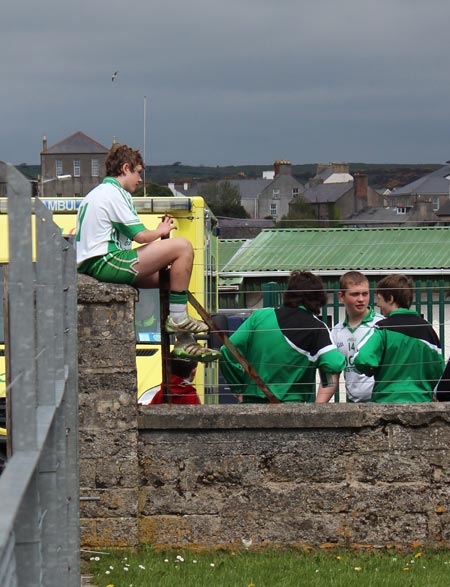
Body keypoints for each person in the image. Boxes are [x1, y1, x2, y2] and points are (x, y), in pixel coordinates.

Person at [76, 143, 220, 363]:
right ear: (125, 168)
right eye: (138, 173)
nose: (140, 180)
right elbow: (141, 236)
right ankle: (179, 319)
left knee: (172, 277)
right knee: (183, 246)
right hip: (107, 261)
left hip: (96, 263)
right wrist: (160, 231)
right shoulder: (113, 193)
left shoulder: (95, 194)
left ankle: (184, 342)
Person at [219, 271, 346, 403]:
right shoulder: (317, 328)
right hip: (291, 408)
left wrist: (239, 388)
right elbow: (334, 364)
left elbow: (226, 350)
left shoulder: (260, 317)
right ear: (319, 298)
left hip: (252, 404)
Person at [353, 274, 444, 403]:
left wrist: (370, 370)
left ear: (390, 298)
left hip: (386, 402)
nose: (378, 304)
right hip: (421, 402)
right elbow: (438, 369)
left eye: (379, 299)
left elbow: (361, 359)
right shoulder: (428, 330)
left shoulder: (381, 329)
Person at [316, 271, 383, 403]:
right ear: (341, 296)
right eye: (355, 294)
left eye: (365, 294)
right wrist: (317, 408)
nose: (361, 299)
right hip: (352, 405)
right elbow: (330, 374)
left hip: (380, 403)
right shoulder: (336, 331)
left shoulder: (381, 325)